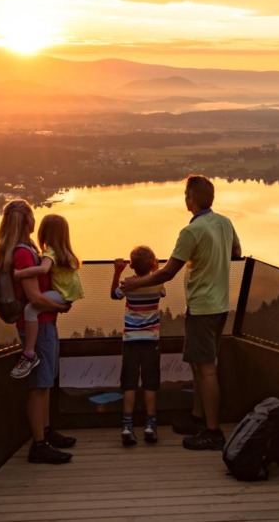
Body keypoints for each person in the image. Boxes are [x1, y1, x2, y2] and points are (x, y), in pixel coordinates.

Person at [120, 175, 241, 451]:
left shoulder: (191, 232)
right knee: (199, 365)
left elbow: (167, 272)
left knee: (207, 369)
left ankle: (213, 431)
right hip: (219, 304)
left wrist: (135, 282)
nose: (185, 199)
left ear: (191, 199)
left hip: (202, 307)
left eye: (186, 195)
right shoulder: (224, 222)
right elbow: (236, 251)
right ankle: (198, 418)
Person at [0, 199, 76, 464]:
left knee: (46, 380)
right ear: (27, 219)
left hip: (43, 323)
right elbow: (34, 298)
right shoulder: (24, 254)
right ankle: (39, 444)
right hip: (37, 327)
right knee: (39, 385)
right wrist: (60, 306)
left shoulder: (25, 249)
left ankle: (47, 433)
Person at [10, 214, 85, 379]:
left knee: (30, 310)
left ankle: (29, 353)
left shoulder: (50, 252)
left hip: (61, 295)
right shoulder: (65, 251)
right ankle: (30, 352)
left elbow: (43, 270)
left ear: (45, 233)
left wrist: (19, 273)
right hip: (67, 294)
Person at [110, 246, 165, 446]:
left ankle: (127, 426)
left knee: (129, 383)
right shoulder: (158, 283)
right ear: (152, 264)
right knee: (150, 383)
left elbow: (114, 295)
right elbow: (163, 291)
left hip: (131, 340)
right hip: (151, 340)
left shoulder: (127, 284)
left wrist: (118, 272)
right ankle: (150, 425)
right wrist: (156, 270)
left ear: (131, 265)